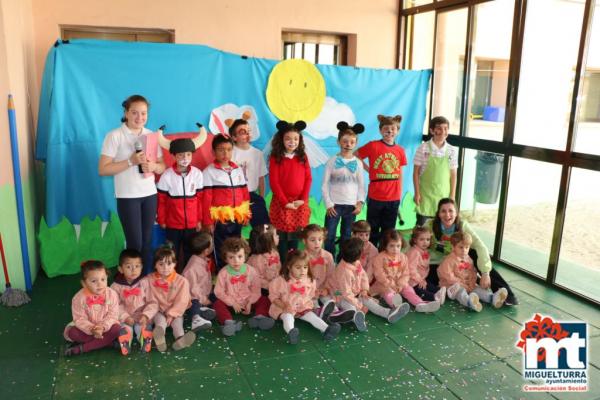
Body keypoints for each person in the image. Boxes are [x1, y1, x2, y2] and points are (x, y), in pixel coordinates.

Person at [99, 95, 165, 274]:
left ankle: (147, 278)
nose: (139, 117)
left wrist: (153, 166)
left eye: (143, 113)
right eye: (134, 112)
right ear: (126, 113)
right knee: (135, 242)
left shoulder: (151, 136)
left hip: (150, 194)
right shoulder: (114, 136)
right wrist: (130, 161)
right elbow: (103, 169)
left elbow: (162, 166)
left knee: (148, 240)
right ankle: (132, 281)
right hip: (128, 197)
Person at [425, 198, 518, 305]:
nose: (447, 215)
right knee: (432, 283)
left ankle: (506, 295)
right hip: (439, 264)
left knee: (474, 253)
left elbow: (481, 246)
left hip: (460, 259)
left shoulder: (463, 226)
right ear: (438, 214)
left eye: (451, 211)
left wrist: (485, 273)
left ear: (456, 213)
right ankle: (472, 285)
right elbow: (416, 241)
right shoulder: (430, 225)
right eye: (443, 211)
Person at [329, 237, 407, 331]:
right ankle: (355, 317)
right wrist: (359, 306)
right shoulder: (343, 271)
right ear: (359, 254)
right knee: (350, 307)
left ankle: (388, 313)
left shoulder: (356, 262)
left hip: (355, 293)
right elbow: (346, 293)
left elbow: (363, 277)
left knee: (369, 301)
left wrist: (365, 290)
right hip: (339, 294)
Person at [268, 249, 341, 344]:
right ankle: (291, 332)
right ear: (289, 267)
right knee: (288, 317)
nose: (303, 271)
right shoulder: (280, 281)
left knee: (312, 317)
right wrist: (284, 306)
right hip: (285, 307)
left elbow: (310, 295)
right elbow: (273, 297)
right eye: (298, 267)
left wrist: (315, 294)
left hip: (302, 307)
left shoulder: (310, 280)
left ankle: (326, 329)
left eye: (305, 267)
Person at [355, 115, 407, 247]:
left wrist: (399, 192)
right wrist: (368, 169)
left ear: (397, 131)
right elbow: (356, 155)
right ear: (380, 130)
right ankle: (370, 253)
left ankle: (385, 255)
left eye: (393, 128)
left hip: (393, 197)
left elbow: (400, 172)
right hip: (376, 195)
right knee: (372, 229)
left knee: (388, 231)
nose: (389, 131)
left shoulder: (400, 150)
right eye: (386, 128)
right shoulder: (373, 145)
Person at [156, 131, 207, 267]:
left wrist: (199, 219)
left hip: (191, 225)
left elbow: (200, 200)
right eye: (181, 155)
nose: (185, 158)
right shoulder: (167, 176)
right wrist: (162, 219)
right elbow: (161, 201)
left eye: (188, 154)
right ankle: (172, 278)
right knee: (172, 253)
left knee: (190, 253)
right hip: (172, 225)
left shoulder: (197, 174)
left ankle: (188, 278)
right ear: (174, 155)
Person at [202, 134, 251, 270]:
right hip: (219, 218)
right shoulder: (209, 172)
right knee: (221, 246)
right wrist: (208, 221)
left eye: (229, 149)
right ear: (213, 152)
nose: (225, 153)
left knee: (235, 245)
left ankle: (235, 271)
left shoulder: (238, 169)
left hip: (237, 216)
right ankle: (221, 272)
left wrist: (246, 213)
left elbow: (244, 192)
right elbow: (206, 199)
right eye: (221, 150)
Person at [322, 122, 366, 260]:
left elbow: (361, 186)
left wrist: (360, 203)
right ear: (338, 141)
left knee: (347, 235)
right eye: (345, 141)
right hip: (334, 206)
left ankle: (342, 260)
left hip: (351, 206)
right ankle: (329, 260)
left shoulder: (358, 163)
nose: (348, 144)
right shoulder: (332, 161)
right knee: (329, 235)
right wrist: (328, 204)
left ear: (356, 143)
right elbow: (324, 184)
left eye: (352, 142)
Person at [268, 120, 312, 260]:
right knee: (282, 238)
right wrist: (285, 201)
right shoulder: (276, 158)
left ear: (300, 140)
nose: (292, 142)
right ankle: (282, 264)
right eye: (288, 138)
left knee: (295, 236)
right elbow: (274, 182)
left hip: (299, 204)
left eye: (295, 139)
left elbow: (308, 179)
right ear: (281, 140)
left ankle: (293, 262)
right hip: (282, 203)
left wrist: (302, 199)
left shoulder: (302, 157)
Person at [213, 237, 275, 336]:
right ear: (225, 258)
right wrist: (232, 302)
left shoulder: (251, 271)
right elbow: (219, 292)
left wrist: (250, 302)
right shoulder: (223, 273)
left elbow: (256, 290)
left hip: (248, 300)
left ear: (245, 256)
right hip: (231, 303)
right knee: (217, 304)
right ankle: (229, 323)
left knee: (264, 299)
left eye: (240, 256)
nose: (236, 261)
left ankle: (260, 317)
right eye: (231, 257)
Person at [370, 230, 439, 313]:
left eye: (398, 246)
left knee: (409, 291)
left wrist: (401, 283)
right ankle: (396, 306)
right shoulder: (379, 258)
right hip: (385, 284)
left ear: (401, 245)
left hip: (400, 283)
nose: (395, 249)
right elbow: (379, 274)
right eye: (392, 246)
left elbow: (406, 273)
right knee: (388, 293)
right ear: (385, 245)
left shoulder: (403, 257)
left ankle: (420, 304)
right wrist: (390, 284)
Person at [438, 232, 508, 312]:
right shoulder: (449, 260)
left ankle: (492, 298)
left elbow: (473, 272)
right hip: (452, 285)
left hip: (468, 284)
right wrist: (462, 284)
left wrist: (471, 282)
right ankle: (469, 302)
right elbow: (448, 276)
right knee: (460, 292)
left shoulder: (468, 259)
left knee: (477, 289)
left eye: (467, 247)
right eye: (461, 247)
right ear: (453, 247)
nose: (464, 250)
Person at [63, 260, 121, 356]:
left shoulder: (112, 294)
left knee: (117, 329)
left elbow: (113, 315)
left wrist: (102, 327)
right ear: (84, 283)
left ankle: (83, 348)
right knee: (72, 332)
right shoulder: (78, 298)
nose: (100, 284)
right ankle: (108, 343)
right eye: (94, 281)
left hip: (106, 327)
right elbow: (79, 319)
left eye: (103, 279)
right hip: (87, 329)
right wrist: (92, 329)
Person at [145, 246, 196, 352]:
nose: (165, 267)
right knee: (160, 321)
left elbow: (182, 300)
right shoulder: (150, 279)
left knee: (177, 322)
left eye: (169, 263)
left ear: (175, 264)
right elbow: (148, 297)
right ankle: (160, 338)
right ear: (155, 265)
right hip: (158, 310)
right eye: (161, 264)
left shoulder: (182, 281)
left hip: (175, 310)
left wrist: (171, 314)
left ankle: (180, 338)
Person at [301, 224, 355, 324]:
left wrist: (326, 288)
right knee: (312, 302)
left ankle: (336, 314)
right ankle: (318, 312)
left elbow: (331, 275)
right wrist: (312, 290)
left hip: (324, 287)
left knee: (331, 298)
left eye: (320, 239)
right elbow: (300, 278)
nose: (317, 243)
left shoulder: (328, 256)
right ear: (304, 241)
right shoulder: (301, 257)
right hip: (308, 289)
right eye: (312, 240)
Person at [110, 249, 157, 355]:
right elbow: (115, 306)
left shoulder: (145, 282)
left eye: (137, 266)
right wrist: (125, 317)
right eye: (128, 267)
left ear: (142, 267)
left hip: (142, 316)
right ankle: (126, 340)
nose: (133, 270)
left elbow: (153, 302)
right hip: (125, 317)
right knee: (124, 327)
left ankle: (144, 338)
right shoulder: (115, 286)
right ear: (120, 269)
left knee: (141, 326)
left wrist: (146, 315)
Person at [413, 116, 457, 226]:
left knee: (440, 229)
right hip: (425, 195)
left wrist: (452, 195)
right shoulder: (423, 148)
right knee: (422, 229)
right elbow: (416, 173)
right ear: (432, 130)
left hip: (443, 196)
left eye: (446, 128)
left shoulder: (451, 150)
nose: (443, 131)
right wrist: (417, 193)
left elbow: (453, 175)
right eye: (439, 128)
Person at [230, 118, 270, 226]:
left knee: (263, 227)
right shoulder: (230, 153)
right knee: (234, 226)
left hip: (252, 195)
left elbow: (261, 178)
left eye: (249, 131)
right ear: (234, 137)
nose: (247, 134)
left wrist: (261, 199)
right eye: (242, 132)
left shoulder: (257, 154)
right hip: (235, 196)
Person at [181, 231, 216, 332]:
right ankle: (196, 318)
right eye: (212, 243)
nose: (213, 245)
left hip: (205, 293)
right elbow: (193, 289)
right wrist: (203, 299)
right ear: (206, 251)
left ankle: (203, 311)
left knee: (218, 295)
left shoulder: (203, 259)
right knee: (194, 302)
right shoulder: (192, 267)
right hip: (193, 296)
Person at [405, 226, 446, 304]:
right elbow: (410, 269)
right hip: (412, 282)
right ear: (414, 240)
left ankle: (440, 293)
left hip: (421, 279)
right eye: (421, 239)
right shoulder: (414, 252)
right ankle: (434, 297)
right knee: (422, 292)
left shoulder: (424, 251)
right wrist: (419, 280)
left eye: (428, 239)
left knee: (435, 288)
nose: (425, 242)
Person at [246, 224, 281, 294]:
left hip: (273, 285)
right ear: (268, 241)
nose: (278, 236)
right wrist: (272, 286)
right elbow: (257, 279)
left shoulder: (274, 253)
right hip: (261, 289)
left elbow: (278, 268)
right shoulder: (257, 260)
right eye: (275, 235)